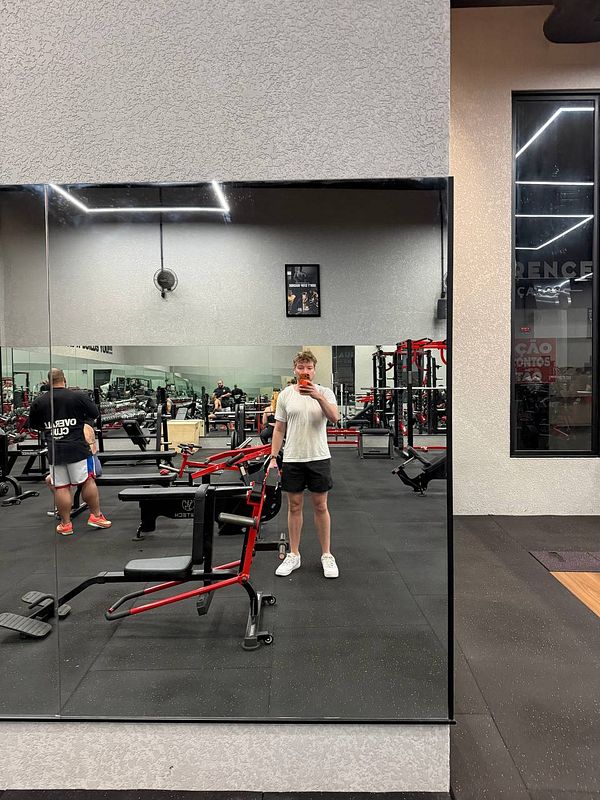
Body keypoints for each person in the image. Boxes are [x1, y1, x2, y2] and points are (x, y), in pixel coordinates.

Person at [269, 350, 340, 579]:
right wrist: (272, 457)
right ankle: (294, 554)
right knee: (294, 507)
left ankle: (327, 555)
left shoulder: (325, 392)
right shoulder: (286, 395)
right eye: (301, 367)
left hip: (319, 456)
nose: (305, 371)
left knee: (321, 506)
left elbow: (335, 418)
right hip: (293, 458)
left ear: (314, 369)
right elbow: (279, 429)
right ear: (295, 369)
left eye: (309, 367)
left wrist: (317, 396)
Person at [28, 368, 112, 535]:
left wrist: (51, 428)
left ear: (48, 382)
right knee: (88, 481)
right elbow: (94, 414)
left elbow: (34, 425)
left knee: (61, 487)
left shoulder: (39, 401)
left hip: (55, 449)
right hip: (77, 448)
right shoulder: (77, 396)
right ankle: (96, 516)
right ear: (64, 379)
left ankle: (66, 524)